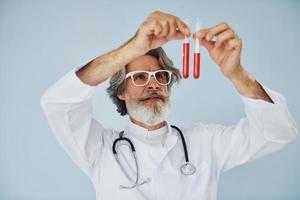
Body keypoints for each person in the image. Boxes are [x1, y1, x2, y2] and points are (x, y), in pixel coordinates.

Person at [40, 11, 298, 200]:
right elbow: (59, 103)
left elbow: (277, 133)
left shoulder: (205, 142)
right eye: (139, 77)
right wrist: (131, 48)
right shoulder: (99, 149)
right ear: (120, 91)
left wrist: (237, 73)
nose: (153, 84)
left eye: (160, 76)